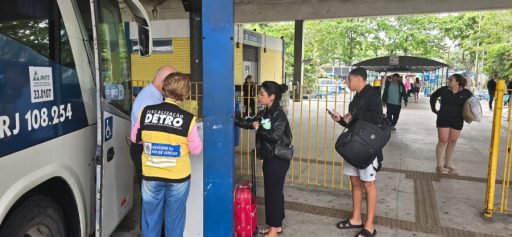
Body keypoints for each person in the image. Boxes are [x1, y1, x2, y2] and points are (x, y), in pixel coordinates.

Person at [133, 72, 203, 237]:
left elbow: (135, 138)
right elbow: (196, 149)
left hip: (151, 174)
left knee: (150, 219)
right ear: (185, 95)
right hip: (177, 177)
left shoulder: (146, 111)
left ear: (164, 89)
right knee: (174, 219)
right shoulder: (188, 119)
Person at [235, 81, 291, 237]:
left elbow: (274, 136)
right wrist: (235, 119)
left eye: (262, 94)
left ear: (272, 97)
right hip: (270, 156)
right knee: (271, 192)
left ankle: (274, 228)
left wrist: (258, 129)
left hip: (278, 158)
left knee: (274, 192)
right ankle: (276, 225)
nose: (259, 96)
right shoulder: (265, 112)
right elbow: (250, 123)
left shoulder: (278, 114)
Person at [330, 67, 381, 237]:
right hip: (354, 145)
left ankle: (369, 226)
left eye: (349, 80)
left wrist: (354, 113)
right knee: (355, 182)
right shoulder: (357, 96)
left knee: (368, 184)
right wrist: (341, 120)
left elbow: (377, 119)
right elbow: (353, 123)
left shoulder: (373, 94)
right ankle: (356, 218)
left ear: (359, 79)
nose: (347, 82)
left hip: (367, 146)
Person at [131, 65, 177, 187]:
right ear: (164, 83)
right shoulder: (149, 101)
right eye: (174, 83)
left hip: (148, 148)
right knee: (150, 194)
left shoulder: (154, 95)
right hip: (145, 150)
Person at [430, 74, 472, 175]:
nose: (448, 81)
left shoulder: (466, 92)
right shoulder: (444, 90)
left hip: (457, 120)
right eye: (449, 79)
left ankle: (448, 163)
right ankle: (439, 165)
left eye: (451, 80)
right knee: (443, 141)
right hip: (443, 118)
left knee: (452, 141)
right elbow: (433, 96)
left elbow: (473, 103)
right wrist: (434, 109)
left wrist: (471, 116)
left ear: (457, 82)